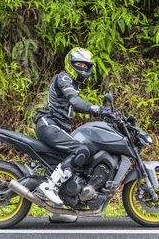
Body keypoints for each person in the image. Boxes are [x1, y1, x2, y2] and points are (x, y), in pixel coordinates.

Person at [33, 47, 110, 223]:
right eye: (79, 64)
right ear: (70, 63)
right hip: (49, 125)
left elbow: (74, 104)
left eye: (85, 65)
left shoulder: (73, 84)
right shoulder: (64, 78)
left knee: (75, 161)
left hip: (57, 128)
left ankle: (58, 210)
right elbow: (75, 101)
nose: (82, 67)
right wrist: (96, 110)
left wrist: (106, 111)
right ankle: (49, 186)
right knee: (82, 150)